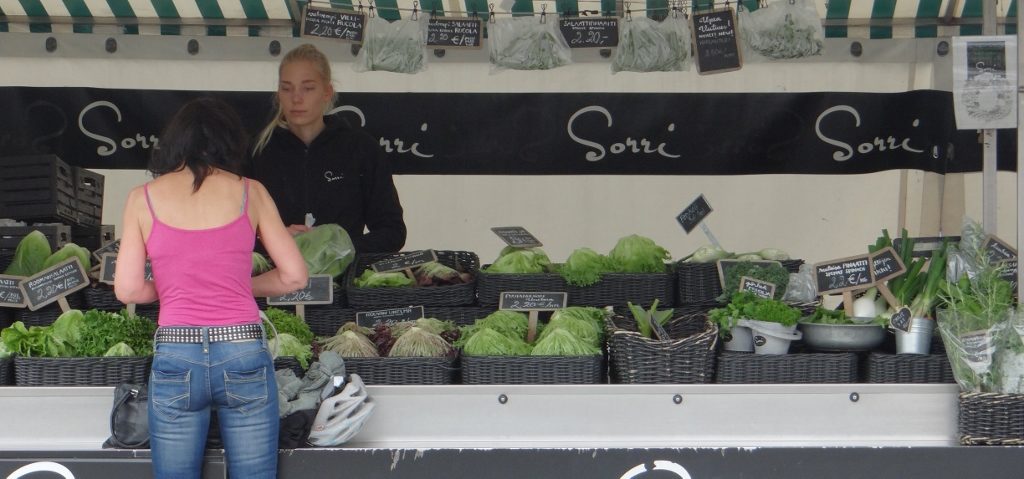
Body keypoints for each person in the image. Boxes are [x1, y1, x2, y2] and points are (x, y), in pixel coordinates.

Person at [114, 97, 308, 479]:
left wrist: (169, 289)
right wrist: (238, 286)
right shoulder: (251, 192)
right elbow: (295, 277)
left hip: (176, 352)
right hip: (241, 349)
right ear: (229, 143)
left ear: (174, 143)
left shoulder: (142, 198)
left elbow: (129, 290)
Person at [250, 43, 407, 254]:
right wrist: (273, 237)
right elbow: (230, 231)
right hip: (273, 280)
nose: (296, 98)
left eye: (308, 88)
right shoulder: (256, 152)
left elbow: (392, 231)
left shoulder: (361, 149)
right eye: (287, 88)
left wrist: (341, 249)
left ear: (327, 92)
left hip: (344, 283)